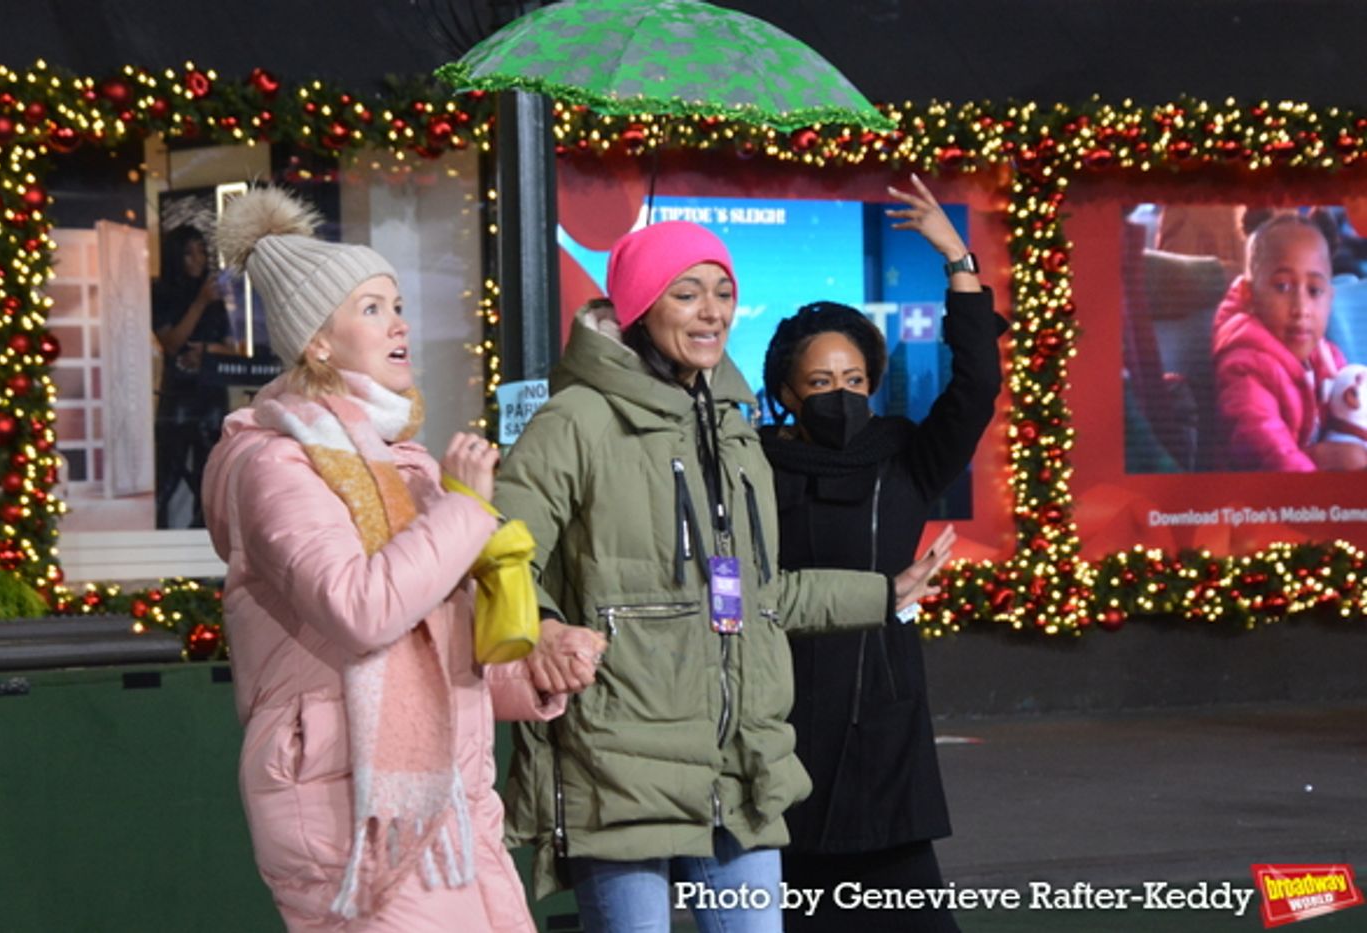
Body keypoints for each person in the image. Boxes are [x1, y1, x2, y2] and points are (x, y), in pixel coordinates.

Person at [493, 219, 954, 933]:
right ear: (642, 306)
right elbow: (500, 551)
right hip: (620, 763)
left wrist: (882, 593)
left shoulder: (733, 431)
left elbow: (756, 595)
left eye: (723, 291)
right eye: (687, 292)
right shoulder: (575, 421)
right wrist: (547, 628)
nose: (712, 311)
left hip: (741, 761)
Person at [200, 186, 603, 932]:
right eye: (373, 307)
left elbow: (436, 644)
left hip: (451, 804)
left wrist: (533, 667)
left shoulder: (405, 464)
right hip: (349, 803)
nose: (400, 323)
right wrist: (466, 510)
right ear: (317, 342)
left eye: (397, 304)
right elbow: (364, 608)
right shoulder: (275, 466)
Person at [758, 176, 1004, 932]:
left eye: (855, 378)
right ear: (785, 392)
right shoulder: (752, 459)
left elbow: (977, 386)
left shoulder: (906, 457)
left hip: (879, 711)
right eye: (820, 381)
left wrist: (957, 259)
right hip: (780, 714)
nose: (841, 393)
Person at [1212, 213, 1367, 471]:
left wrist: (1351, 401)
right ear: (1249, 295)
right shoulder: (1246, 367)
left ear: (1330, 299)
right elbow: (1269, 451)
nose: (1301, 308)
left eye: (1314, 291)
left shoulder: (1325, 355)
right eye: (1283, 287)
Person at [153, 224, 242, 528]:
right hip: (177, 394)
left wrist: (208, 350)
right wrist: (200, 302)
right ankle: (162, 542)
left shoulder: (219, 296)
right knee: (169, 475)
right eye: (188, 254)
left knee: (211, 478)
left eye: (202, 251)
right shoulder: (163, 292)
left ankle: (205, 549)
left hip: (211, 392)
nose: (198, 259)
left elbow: (237, 347)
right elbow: (172, 343)